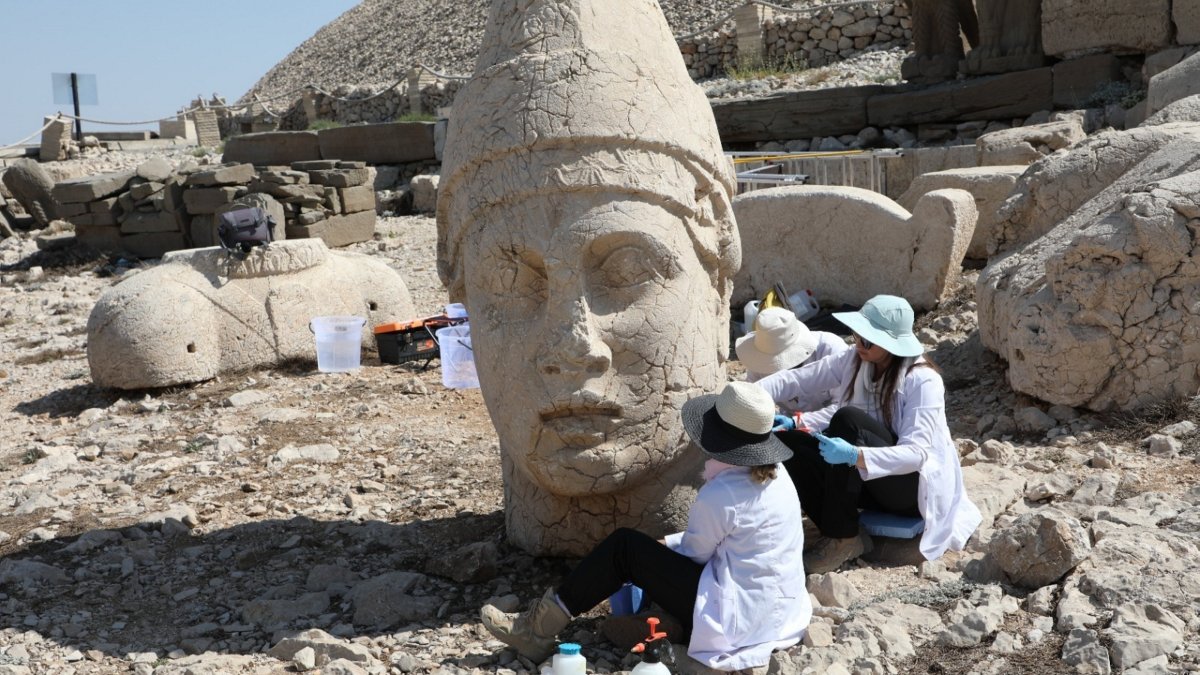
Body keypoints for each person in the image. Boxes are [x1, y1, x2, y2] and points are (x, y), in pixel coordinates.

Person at [480, 382, 811, 671]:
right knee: (647, 552)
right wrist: (667, 544)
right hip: (779, 613)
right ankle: (654, 623)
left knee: (624, 548)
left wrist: (656, 552)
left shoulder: (722, 493)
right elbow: (734, 539)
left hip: (737, 623)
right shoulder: (778, 475)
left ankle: (537, 630)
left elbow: (695, 555)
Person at [756, 295, 981, 574]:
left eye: (868, 340)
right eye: (857, 336)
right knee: (788, 442)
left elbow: (917, 453)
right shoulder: (855, 361)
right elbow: (797, 379)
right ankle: (836, 528)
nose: (859, 344)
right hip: (871, 482)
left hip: (908, 491)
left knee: (846, 420)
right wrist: (753, 399)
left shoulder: (922, 381)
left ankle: (842, 538)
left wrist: (854, 455)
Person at [736, 306, 851, 412]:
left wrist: (799, 422)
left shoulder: (830, 350)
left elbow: (844, 406)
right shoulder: (758, 361)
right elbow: (753, 399)